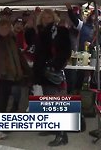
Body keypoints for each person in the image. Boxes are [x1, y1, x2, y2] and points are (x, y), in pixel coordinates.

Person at [33, 9, 71, 146]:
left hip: (52, 71)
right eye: (44, 17)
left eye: (49, 16)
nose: (47, 19)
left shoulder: (59, 31)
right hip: (43, 72)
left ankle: (61, 135)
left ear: (53, 17)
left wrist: (55, 66)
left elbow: (66, 51)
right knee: (48, 101)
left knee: (55, 102)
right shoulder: (41, 31)